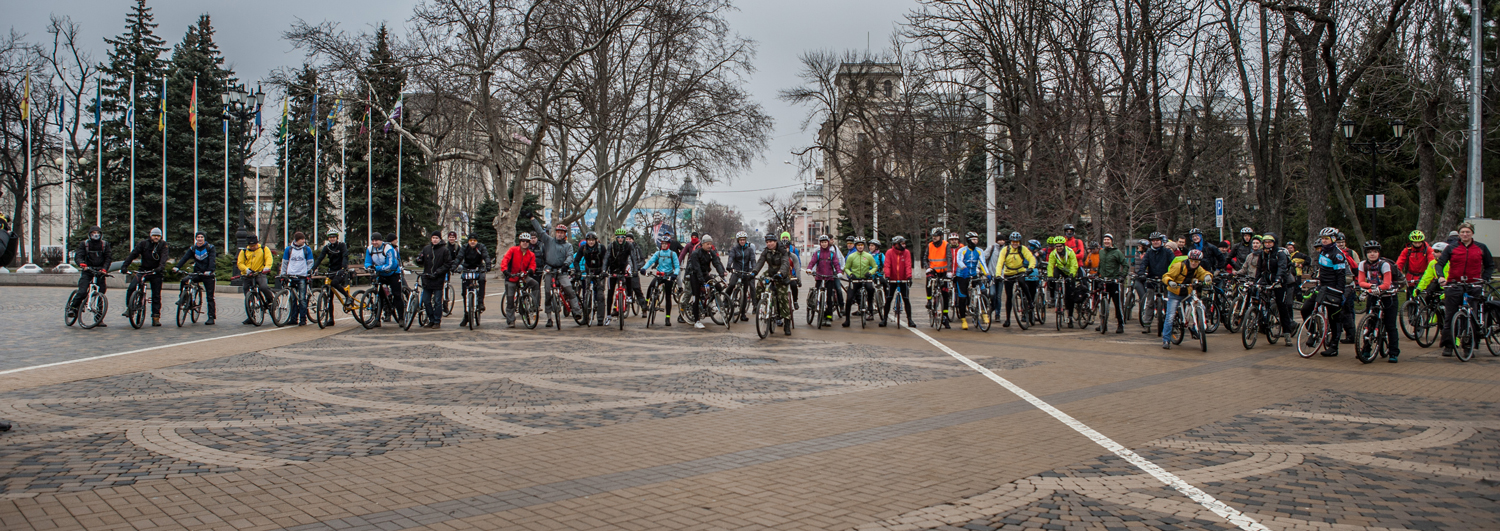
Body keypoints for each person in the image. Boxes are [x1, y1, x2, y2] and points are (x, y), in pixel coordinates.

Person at [1434, 222, 1494, 357]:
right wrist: (1441, 277)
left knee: (1472, 316)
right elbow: (1440, 264)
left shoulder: (1481, 247)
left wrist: (1484, 279)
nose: (1465, 234)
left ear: (1472, 233)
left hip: (1474, 285)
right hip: (1454, 284)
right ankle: (1449, 345)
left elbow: (1490, 265)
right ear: (1459, 234)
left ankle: (1469, 345)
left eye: (1467, 232)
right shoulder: (1451, 248)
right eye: (1462, 232)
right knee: (1450, 316)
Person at [1300, 227, 1349, 356]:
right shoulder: (1322, 251)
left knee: (1334, 318)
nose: (1324, 241)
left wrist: (1340, 292)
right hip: (1322, 287)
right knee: (1306, 309)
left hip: (1333, 289)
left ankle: (1333, 346)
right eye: (1322, 239)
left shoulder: (1337, 255)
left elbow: (1341, 276)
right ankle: (1313, 333)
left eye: (1326, 239)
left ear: (1333, 239)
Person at [530, 216, 585, 326]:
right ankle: (549, 318)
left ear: (565, 234)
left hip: (562, 270)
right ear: (555, 233)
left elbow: (570, 256)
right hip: (549, 269)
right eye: (558, 232)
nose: (559, 234)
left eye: (562, 233)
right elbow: (540, 231)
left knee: (569, 290)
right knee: (547, 292)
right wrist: (532, 219)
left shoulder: (568, 246)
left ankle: (577, 311)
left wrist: (566, 265)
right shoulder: (549, 241)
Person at [1355, 240, 1400, 362]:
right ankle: (1366, 349)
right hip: (1373, 294)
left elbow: (1386, 284)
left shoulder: (1384, 265)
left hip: (1388, 295)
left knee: (1390, 325)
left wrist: (1371, 289)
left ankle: (1393, 352)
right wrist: (1371, 287)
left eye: (1375, 251)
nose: (1372, 254)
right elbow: (1361, 282)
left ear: (1379, 253)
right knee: (1369, 323)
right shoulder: (1363, 264)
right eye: (1369, 252)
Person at [1160, 249, 1214, 349]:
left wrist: (1207, 276)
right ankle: (1166, 340)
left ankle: (1195, 329)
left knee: (1200, 306)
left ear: (1199, 262)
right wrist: (1170, 282)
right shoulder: (1179, 266)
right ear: (1188, 259)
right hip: (1175, 292)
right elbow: (1166, 276)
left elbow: (1203, 273)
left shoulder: (1198, 268)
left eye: (1196, 261)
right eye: (1192, 260)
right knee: (1170, 316)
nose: (1193, 263)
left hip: (1188, 292)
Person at [122, 227, 170, 326]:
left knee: (156, 295)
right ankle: (130, 308)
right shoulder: (143, 244)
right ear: (150, 235)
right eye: (154, 235)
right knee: (131, 287)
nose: (156, 237)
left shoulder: (163, 245)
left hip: (156, 272)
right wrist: (125, 266)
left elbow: (164, 257)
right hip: (143, 270)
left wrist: (160, 267)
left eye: (158, 236)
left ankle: (155, 317)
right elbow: (133, 254)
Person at [172, 233, 219, 325]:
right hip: (197, 272)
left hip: (208, 274)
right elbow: (185, 258)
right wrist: (177, 267)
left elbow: (212, 260)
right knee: (184, 280)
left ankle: (211, 317)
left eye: (202, 237)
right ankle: (183, 298)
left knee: (210, 297)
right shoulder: (193, 248)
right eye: (198, 237)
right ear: (196, 238)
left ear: (204, 238)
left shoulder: (210, 248)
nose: (200, 239)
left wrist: (209, 270)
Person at [1256, 233, 1296, 337]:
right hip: (1267, 280)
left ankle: (1287, 331)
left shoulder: (1280, 253)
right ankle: (1262, 324)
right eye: (1265, 242)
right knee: (1261, 300)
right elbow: (1259, 268)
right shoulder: (1262, 254)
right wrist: (1256, 281)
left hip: (1279, 281)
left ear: (1274, 243)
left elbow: (1282, 267)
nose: (1267, 244)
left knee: (1281, 305)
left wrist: (1278, 279)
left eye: (1270, 242)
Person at [72, 226, 114, 324]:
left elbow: (108, 258)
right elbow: (79, 256)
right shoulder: (84, 244)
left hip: (100, 271)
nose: (95, 235)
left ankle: (99, 318)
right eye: (93, 233)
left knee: (101, 294)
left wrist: (104, 269)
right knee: (82, 291)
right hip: (88, 270)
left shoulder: (105, 244)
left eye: (97, 233)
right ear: (90, 234)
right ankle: (73, 308)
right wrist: (82, 264)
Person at [994, 232, 1037, 328]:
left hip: (1020, 271)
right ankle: (1007, 319)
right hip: (1008, 273)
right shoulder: (1005, 250)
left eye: (1017, 242)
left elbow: (1031, 258)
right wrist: (998, 275)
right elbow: (1000, 263)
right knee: (1009, 296)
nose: (1015, 243)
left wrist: (1031, 267)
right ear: (1011, 242)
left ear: (1019, 242)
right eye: (1013, 241)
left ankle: (1030, 301)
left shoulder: (1023, 249)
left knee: (1022, 283)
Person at [684, 234, 726, 328]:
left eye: (710, 244)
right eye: (707, 244)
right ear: (702, 244)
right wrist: (702, 281)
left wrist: (722, 275)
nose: (709, 246)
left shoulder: (711, 253)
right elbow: (697, 268)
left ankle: (710, 303)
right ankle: (696, 321)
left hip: (705, 274)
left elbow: (717, 263)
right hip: (695, 275)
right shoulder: (696, 253)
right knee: (696, 296)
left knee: (718, 287)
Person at [752, 233, 793, 326]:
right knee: (760, 283)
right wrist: (754, 272)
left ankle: (787, 322)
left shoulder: (782, 250)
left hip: (781, 274)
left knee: (782, 297)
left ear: (775, 242)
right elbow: (760, 262)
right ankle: (758, 304)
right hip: (771, 272)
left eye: (770, 242)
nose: (769, 244)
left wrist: (780, 273)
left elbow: (785, 263)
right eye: (767, 242)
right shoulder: (766, 251)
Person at [415, 231, 454, 328]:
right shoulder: (426, 249)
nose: (434, 240)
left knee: (437, 301)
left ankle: (437, 321)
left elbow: (448, 264)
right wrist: (418, 260)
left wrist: (438, 272)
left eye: (436, 238)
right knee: (426, 300)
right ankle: (431, 319)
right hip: (427, 278)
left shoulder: (444, 250)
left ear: (440, 239)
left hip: (438, 279)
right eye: (433, 238)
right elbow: (421, 260)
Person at [497, 233, 537, 327]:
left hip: (523, 276)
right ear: (520, 242)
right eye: (523, 241)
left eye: (527, 241)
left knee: (535, 284)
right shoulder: (513, 250)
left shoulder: (531, 254)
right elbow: (505, 260)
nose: (525, 243)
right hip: (511, 276)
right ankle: (511, 320)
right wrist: (505, 271)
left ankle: (534, 305)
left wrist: (531, 270)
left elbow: (533, 265)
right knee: (510, 299)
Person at [363, 233, 402, 327]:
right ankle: (377, 319)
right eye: (372, 241)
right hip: (381, 274)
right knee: (379, 296)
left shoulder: (388, 248)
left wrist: (376, 268)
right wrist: (369, 267)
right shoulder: (370, 249)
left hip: (393, 273)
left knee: (397, 295)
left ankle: (402, 318)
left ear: (381, 241)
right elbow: (367, 262)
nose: (374, 242)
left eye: (376, 240)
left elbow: (390, 264)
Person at [806, 235, 846, 326]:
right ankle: (816, 307)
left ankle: (828, 316)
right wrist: (809, 269)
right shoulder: (817, 253)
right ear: (820, 243)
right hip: (819, 277)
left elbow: (836, 264)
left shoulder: (832, 254)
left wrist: (839, 272)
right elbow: (812, 262)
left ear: (828, 243)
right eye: (822, 242)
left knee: (829, 298)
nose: (824, 244)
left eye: (825, 242)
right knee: (817, 294)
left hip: (829, 278)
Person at [644, 236, 682, 325]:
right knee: (651, 286)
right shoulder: (658, 253)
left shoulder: (672, 254)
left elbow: (677, 266)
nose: (664, 245)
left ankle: (667, 318)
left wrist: (675, 274)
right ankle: (646, 303)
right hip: (659, 275)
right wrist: (644, 268)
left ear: (668, 245)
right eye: (662, 244)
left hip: (668, 276)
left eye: (665, 244)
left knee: (668, 296)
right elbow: (650, 261)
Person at [571, 231, 608, 326]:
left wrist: (604, 271)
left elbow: (606, 260)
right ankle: (586, 318)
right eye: (589, 240)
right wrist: (578, 271)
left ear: (596, 240)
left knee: (600, 295)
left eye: (592, 240)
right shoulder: (583, 248)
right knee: (586, 294)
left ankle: (600, 319)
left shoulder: (601, 248)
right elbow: (576, 260)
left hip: (599, 271)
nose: (591, 242)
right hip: (589, 271)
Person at [238, 234, 276, 325]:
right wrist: (246, 269)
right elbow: (240, 263)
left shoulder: (263, 249)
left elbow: (269, 258)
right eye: (251, 246)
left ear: (257, 243)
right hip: (248, 274)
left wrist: (267, 267)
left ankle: (270, 301)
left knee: (263, 287)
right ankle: (251, 315)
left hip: (260, 273)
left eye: (254, 245)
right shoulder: (244, 251)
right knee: (247, 292)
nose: (253, 247)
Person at [280, 232, 316, 326]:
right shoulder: (289, 249)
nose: (304, 241)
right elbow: (285, 262)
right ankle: (293, 318)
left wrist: (308, 272)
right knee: (292, 298)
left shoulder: (306, 249)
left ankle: (303, 319)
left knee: (302, 299)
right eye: (301, 239)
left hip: (302, 276)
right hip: (291, 276)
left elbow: (310, 262)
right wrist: (283, 274)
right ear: (296, 240)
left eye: (304, 239)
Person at [843, 237, 879, 327]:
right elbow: (846, 268)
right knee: (849, 298)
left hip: (866, 279)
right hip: (855, 280)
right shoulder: (851, 256)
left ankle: (870, 305)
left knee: (870, 289)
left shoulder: (868, 256)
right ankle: (847, 320)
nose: (860, 246)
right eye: (858, 245)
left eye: (862, 245)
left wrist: (870, 272)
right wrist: (850, 274)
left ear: (864, 246)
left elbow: (875, 266)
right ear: (856, 246)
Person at [1046, 236, 1081, 327]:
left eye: (1060, 246)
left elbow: (1074, 264)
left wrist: (1072, 275)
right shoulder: (1053, 253)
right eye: (1057, 246)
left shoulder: (1070, 252)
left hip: (1070, 272)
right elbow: (1050, 265)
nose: (1059, 248)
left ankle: (1070, 316)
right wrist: (1050, 276)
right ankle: (1053, 297)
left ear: (1064, 245)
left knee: (1070, 295)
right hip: (1060, 269)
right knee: (1051, 279)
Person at [882, 235, 914, 327]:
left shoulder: (906, 252)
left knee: (906, 299)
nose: (904, 245)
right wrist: (887, 276)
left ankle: (910, 320)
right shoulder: (889, 252)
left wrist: (909, 277)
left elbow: (908, 265)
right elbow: (887, 265)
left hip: (903, 279)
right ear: (896, 244)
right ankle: (884, 319)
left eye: (904, 243)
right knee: (889, 299)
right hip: (892, 279)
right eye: (902, 243)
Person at [1098, 234, 1128, 333]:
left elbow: (1125, 265)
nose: (1106, 241)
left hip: (1113, 281)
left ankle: (1120, 324)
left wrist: (1122, 276)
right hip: (1104, 280)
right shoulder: (1101, 252)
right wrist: (1098, 274)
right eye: (1105, 239)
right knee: (1103, 303)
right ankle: (1103, 323)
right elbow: (1101, 264)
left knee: (1117, 304)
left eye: (1108, 240)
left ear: (1111, 241)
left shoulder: (1117, 252)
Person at [725, 231, 759, 321]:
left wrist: (754, 270)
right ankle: (725, 300)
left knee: (744, 294)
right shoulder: (734, 249)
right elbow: (731, 257)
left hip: (746, 272)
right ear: (738, 240)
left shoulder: (749, 250)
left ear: (746, 240)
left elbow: (753, 260)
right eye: (741, 240)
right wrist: (729, 266)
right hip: (736, 271)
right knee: (731, 284)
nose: (742, 241)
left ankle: (743, 314)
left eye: (744, 240)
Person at [317, 230, 351, 315]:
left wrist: (343, 268)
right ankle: (331, 319)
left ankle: (347, 297)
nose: (332, 239)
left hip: (341, 271)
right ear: (328, 238)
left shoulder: (341, 245)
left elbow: (345, 256)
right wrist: (312, 269)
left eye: (334, 237)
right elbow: (320, 258)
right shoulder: (327, 247)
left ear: (337, 238)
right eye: (330, 237)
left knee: (334, 283)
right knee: (330, 297)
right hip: (331, 271)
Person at [456, 234, 492, 313]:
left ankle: (480, 302)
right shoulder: (464, 247)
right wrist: (454, 266)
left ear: (477, 241)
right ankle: (466, 313)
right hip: (467, 268)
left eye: (474, 240)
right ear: (468, 241)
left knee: (482, 280)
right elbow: (459, 257)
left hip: (478, 268)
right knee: (464, 289)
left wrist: (488, 265)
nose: (472, 242)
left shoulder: (481, 247)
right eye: (470, 240)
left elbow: (486, 256)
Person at [1395, 230, 1435, 298]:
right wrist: (1399, 273)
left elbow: (1432, 263)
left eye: (1419, 242)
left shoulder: (1428, 250)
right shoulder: (1407, 250)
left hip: (1424, 277)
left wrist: (1431, 275)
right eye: (1415, 243)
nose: (1417, 244)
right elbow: (1400, 262)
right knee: (1410, 297)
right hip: (1411, 278)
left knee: (1426, 297)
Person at [922, 228, 950, 312]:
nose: (934, 237)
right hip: (933, 270)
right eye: (933, 236)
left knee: (945, 293)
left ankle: (945, 314)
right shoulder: (930, 245)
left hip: (943, 271)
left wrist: (949, 271)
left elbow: (949, 258)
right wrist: (927, 267)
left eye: (936, 236)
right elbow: (925, 258)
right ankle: (929, 300)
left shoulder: (946, 245)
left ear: (941, 236)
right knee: (929, 283)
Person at [623, 232, 646, 311]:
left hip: (634, 272)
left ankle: (643, 307)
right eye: (627, 239)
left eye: (630, 239)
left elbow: (642, 260)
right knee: (622, 289)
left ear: (633, 240)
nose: (628, 240)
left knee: (637, 289)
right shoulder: (622, 248)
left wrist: (638, 267)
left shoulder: (637, 249)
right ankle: (617, 308)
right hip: (624, 272)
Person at [781, 232, 802, 310]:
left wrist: (798, 278)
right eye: (783, 237)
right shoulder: (779, 252)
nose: (785, 239)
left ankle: (795, 301)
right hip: (781, 274)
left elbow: (797, 263)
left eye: (786, 237)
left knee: (793, 285)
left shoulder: (793, 250)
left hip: (791, 273)